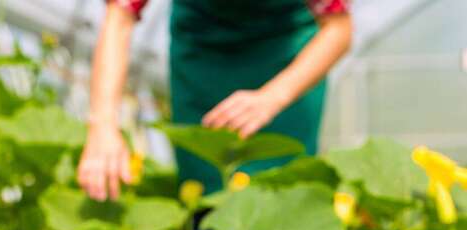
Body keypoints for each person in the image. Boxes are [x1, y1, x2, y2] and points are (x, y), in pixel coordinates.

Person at [79, 0, 352, 200]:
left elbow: (339, 30)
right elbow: (119, 17)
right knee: (207, 192)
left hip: (285, 60)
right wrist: (102, 125)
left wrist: (273, 97)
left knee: (287, 198)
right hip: (202, 56)